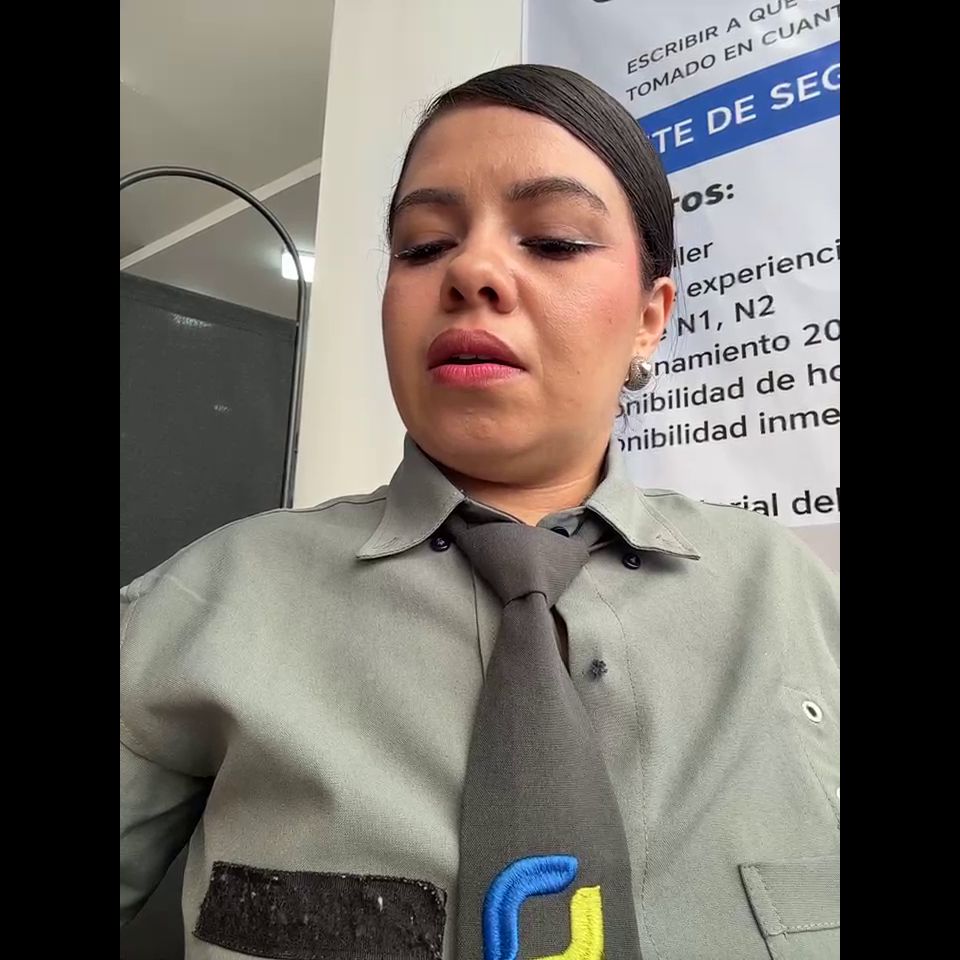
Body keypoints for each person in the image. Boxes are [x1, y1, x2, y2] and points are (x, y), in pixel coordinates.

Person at [121, 64, 839, 960]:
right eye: (424, 247)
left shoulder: (791, 595)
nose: (471, 270)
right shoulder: (208, 601)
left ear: (650, 319)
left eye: (554, 239)